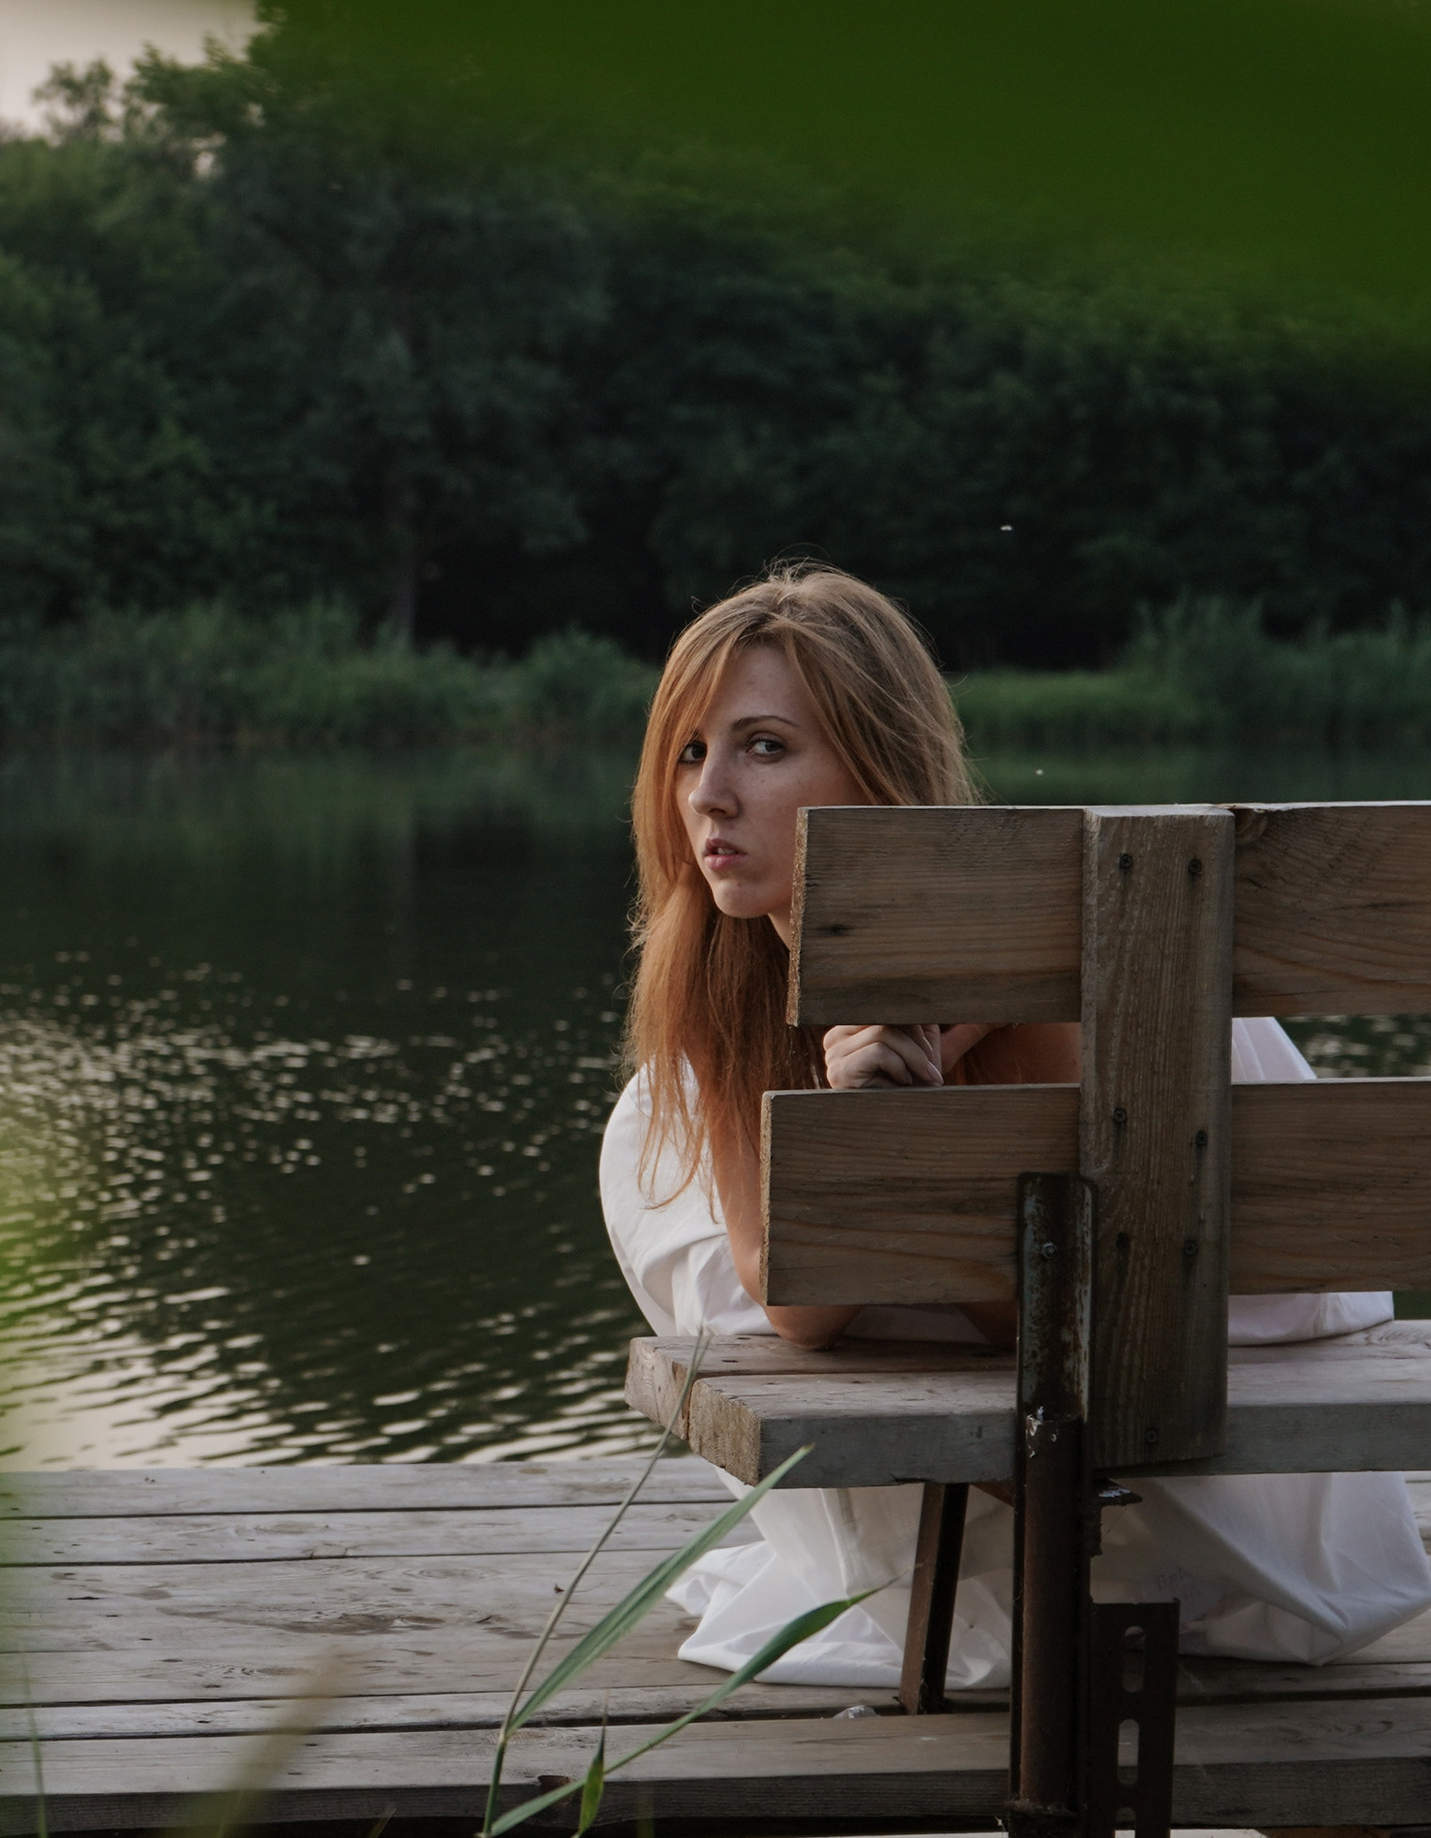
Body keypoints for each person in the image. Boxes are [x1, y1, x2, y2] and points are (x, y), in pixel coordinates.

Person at [599, 561, 1431, 1688]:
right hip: (1077, 1348)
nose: (706, 796)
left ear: (878, 768)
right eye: (689, 752)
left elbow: (1068, 1336)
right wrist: (867, 1131)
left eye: (762, 746)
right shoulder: (722, 984)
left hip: (1205, 1332)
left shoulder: (1044, 945)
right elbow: (793, 1304)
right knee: (653, 1139)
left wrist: (947, 1121)